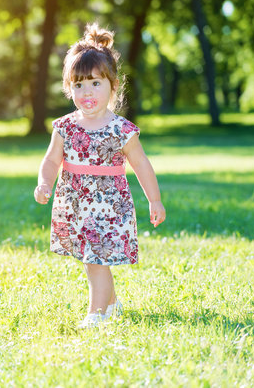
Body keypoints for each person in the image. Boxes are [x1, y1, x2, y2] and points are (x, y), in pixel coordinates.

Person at [34, 23, 166, 329]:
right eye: (79, 85)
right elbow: (52, 160)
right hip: (76, 203)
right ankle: (112, 304)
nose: (87, 92)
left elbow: (142, 164)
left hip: (108, 205)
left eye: (95, 83)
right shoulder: (65, 126)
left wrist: (155, 199)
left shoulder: (121, 129)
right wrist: (44, 182)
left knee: (96, 260)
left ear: (112, 86)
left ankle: (96, 315)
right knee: (92, 258)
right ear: (69, 89)